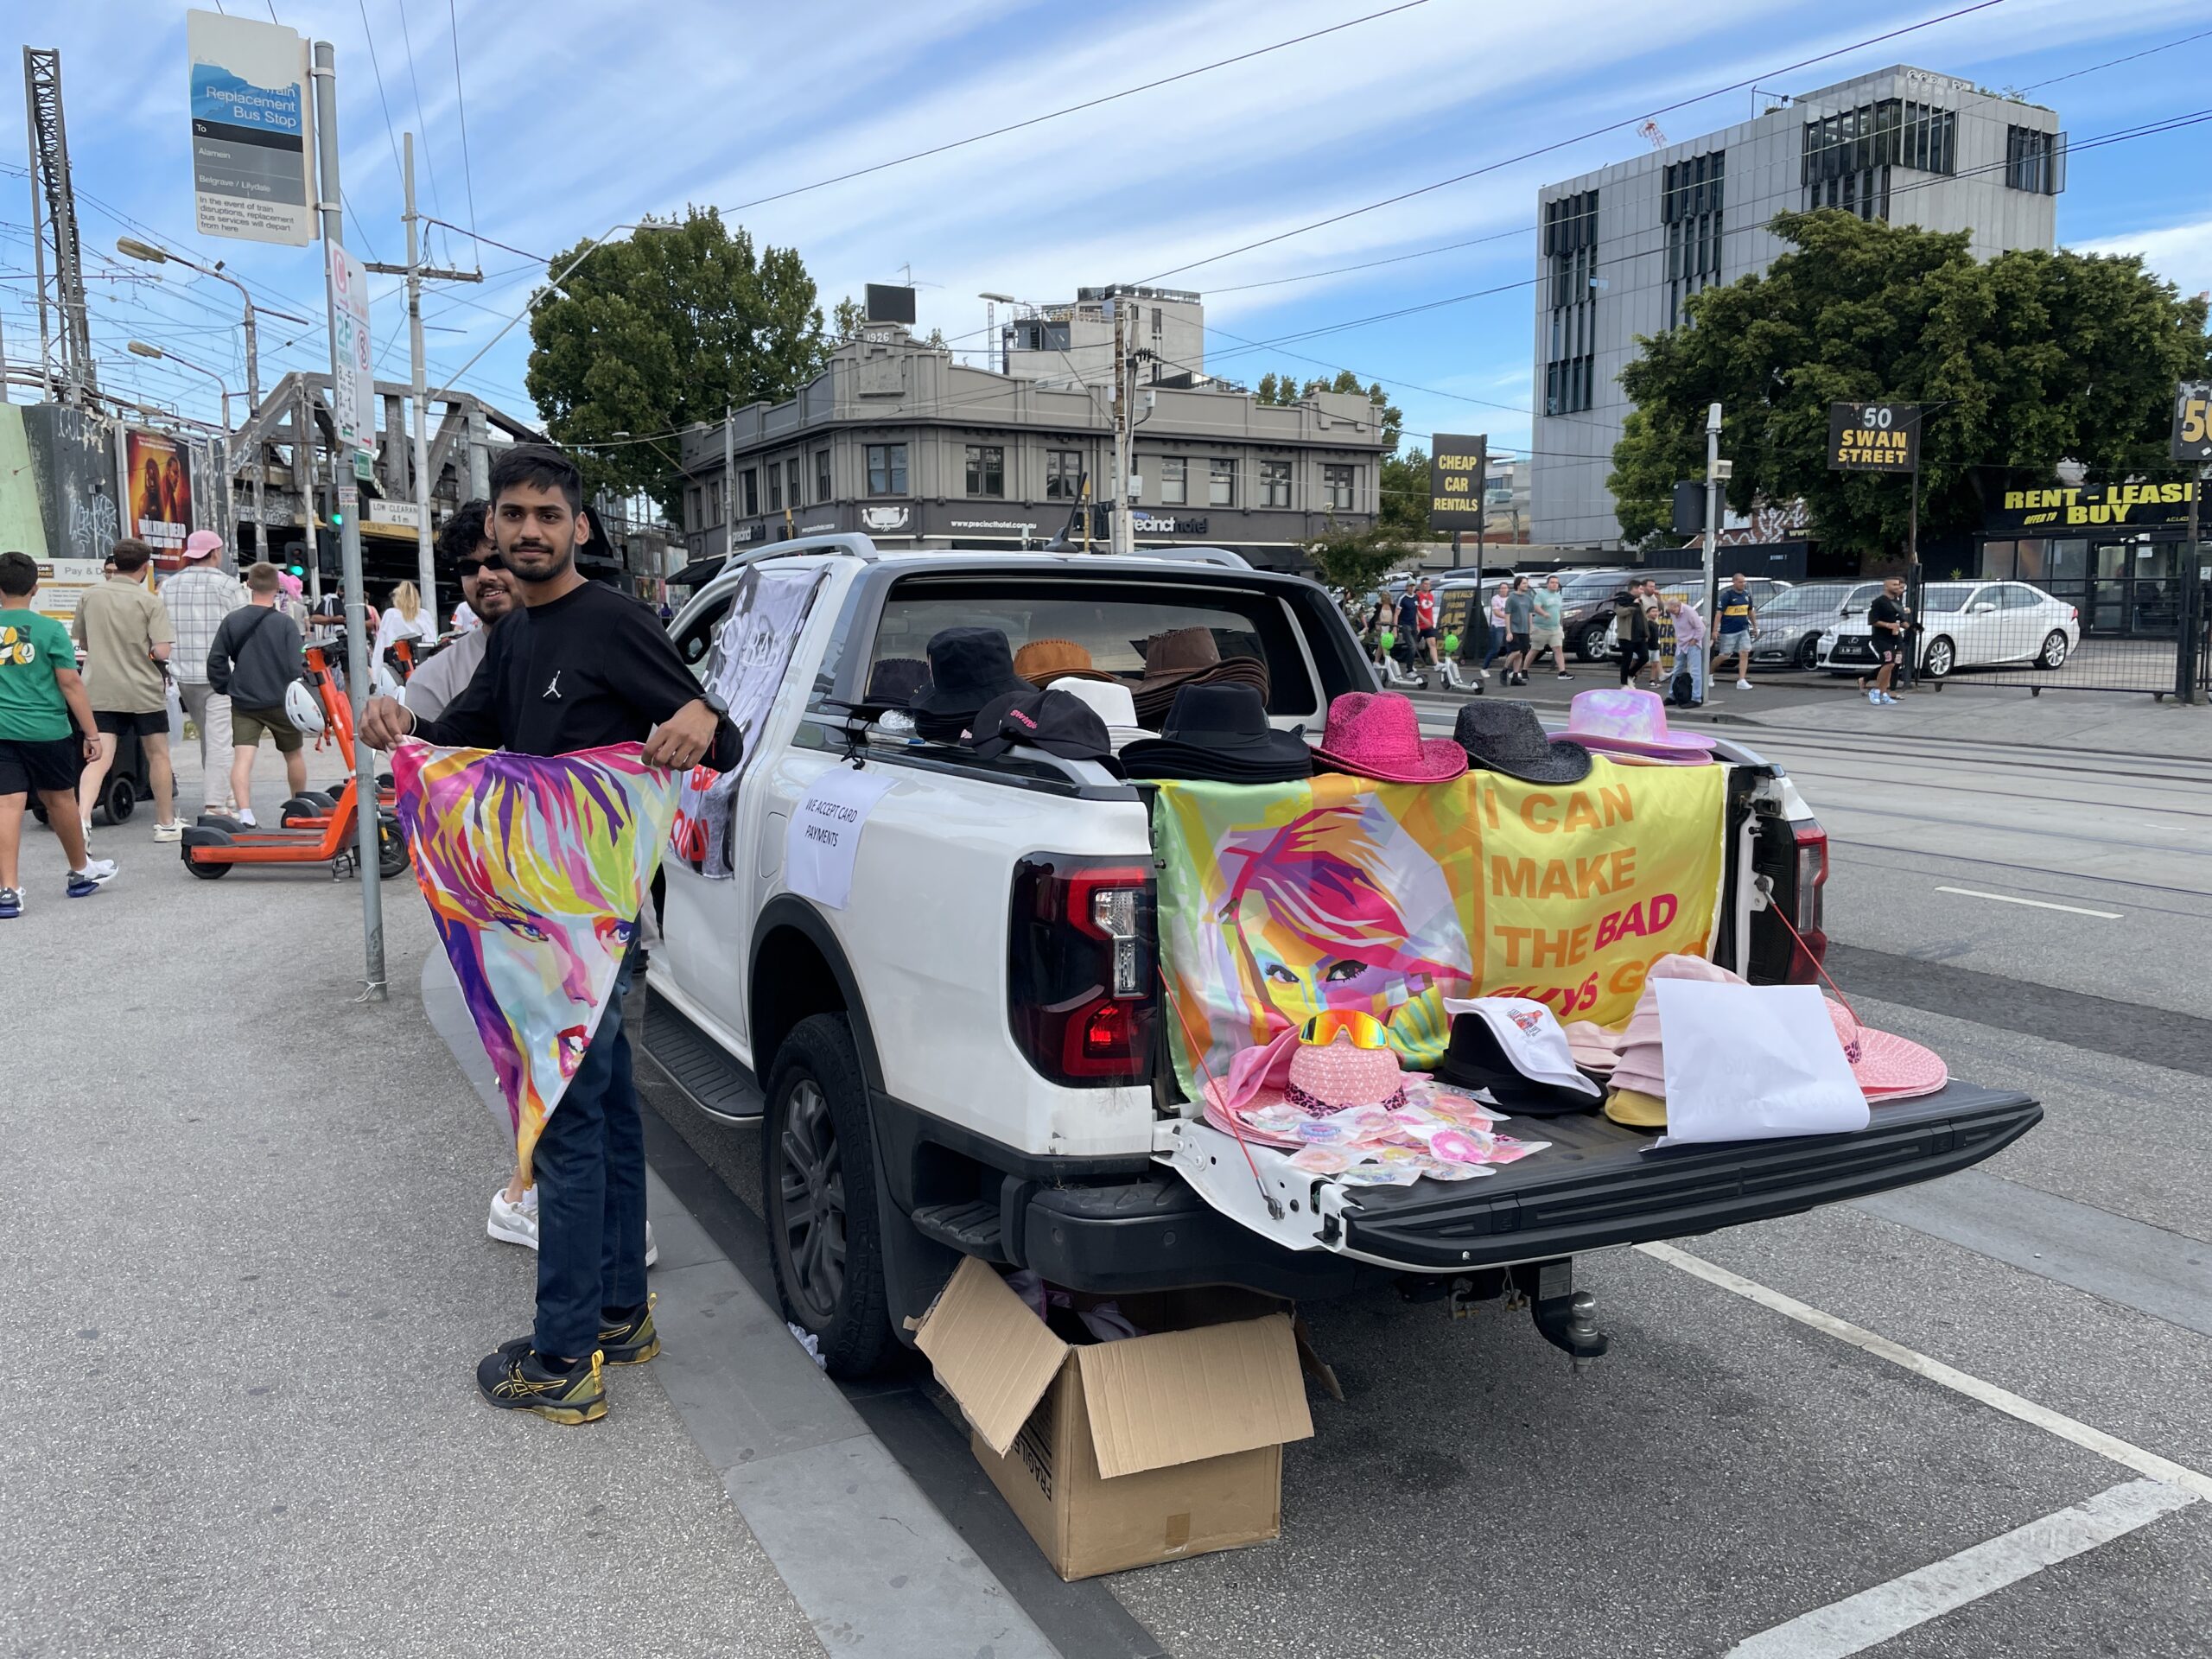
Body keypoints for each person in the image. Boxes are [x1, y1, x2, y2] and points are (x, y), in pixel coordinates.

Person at [360, 444, 740, 1425]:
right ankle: (620, 1312)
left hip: (589, 933)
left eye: (547, 515)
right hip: (544, 931)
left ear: (579, 527)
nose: (529, 531)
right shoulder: (519, 633)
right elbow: (475, 730)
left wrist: (696, 710)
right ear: (495, 527)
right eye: (513, 516)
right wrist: (403, 721)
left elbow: (719, 732)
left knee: (566, 1127)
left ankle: (564, 1359)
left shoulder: (613, 621)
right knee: (606, 1117)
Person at [0, 550, 118, 917]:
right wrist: (93, 734)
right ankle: (81, 871)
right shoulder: (50, 630)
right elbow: (70, 684)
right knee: (60, 801)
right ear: (35, 588)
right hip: (46, 730)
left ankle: (8, 890)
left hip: (2, 730)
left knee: (7, 805)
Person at [73, 537, 179, 842]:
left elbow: (83, 643)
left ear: (115, 564)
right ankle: (166, 823)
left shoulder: (90, 596)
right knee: (157, 755)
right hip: (143, 690)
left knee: (99, 757)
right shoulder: (150, 601)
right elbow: (162, 652)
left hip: (100, 689)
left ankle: (82, 820)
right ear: (145, 568)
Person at [206, 563, 308, 825]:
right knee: (294, 755)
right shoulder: (285, 624)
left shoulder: (233, 620)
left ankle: (246, 814)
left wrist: (226, 687)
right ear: (277, 588)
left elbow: (216, 660)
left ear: (248, 585)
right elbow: (295, 666)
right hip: (281, 700)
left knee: (243, 757)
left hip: (244, 700)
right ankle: (299, 808)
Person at [160, 529, 246, 817]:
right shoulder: (228, 586)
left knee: (209, 737)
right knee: (220, 738)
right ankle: (215, 804)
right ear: (215, 553)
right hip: (221, 674)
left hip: (184, 673)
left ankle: (225, 793)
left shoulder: (168, 587)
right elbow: (243, 629)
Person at [404, 503, 512, 723]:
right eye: (468, 568)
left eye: (497, 561)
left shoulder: (585, 649)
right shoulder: (433, 680)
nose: (484, 576)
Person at [372, 580, 434, 696]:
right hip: (421, 666)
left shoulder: (390, 614)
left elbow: (381, 645)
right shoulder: (425, 615)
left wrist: (376, 676)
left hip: (396, 666)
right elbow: (431, 642)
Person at [1859, 575, 1908, 706]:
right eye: (1894, 585)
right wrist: (1888, 625)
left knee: (1894, 663)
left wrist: (1911, 627)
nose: (1897, 587)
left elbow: (1900, 620)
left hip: (1896, 637)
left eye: (1898, 585)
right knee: (1888, 663)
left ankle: (1884, 692)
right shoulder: (1879, 602)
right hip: (1881, 638)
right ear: (1886, 586)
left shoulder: (1897, 601)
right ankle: (1876, 690)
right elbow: (1873, 621)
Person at [1714, 573, 1758, 690]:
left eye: (1744, 582)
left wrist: (1754, 626)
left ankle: (1742, 680)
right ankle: (1708, 673)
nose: (1743, 584)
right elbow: (1719, 614)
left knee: (1744, 652)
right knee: (1725, 655)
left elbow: (1750, 611)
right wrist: (1715, 630)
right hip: (1729, 631)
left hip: (1743, 629)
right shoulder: (1727, 596)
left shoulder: (1747, 595)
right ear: (1734, 582)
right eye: (1740, 582)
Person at [1664, 594, 1707, 706]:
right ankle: (1672, 696)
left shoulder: (1689, 611)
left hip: (1692, 643)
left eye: (1673, 611)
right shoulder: (1674, 612)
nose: (1672, 613)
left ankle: (1696, 698)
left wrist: (1695, 640)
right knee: (1677, 670)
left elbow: (1700, 627)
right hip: (1682, 643)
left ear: (1677, 606)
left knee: (1695, 671)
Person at [1531, 574, 1572, 681]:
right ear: (1547, 584)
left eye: (1556, 583)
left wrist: (1560, 621)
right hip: (1541, 627)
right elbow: (1536, 607)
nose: (1554, 585)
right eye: (1552, 582)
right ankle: (1524, 670)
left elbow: (1558, 610)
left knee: (1558, 649)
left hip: (1555, 628)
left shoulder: (1559, 596)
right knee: (1535, 650)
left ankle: (1562, 672)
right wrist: (1544, 614)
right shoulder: (1541, 595)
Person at [1612, 579, 1651, 688]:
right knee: (1627, 660)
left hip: (1640, 636)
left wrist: (1646, 632)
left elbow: (1643, 617)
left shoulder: (1639, 601)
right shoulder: (1622, 599)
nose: (1642, 592)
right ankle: (1624, 683)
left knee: (1645, 657)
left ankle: (1630, 675)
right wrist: (1632, 607)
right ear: (1634, 588)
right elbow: (1620, 613)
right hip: (1627, 636)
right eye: (1640, 589)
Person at [1501, 576, 1535, 687]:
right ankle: (1505, 669)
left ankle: (1515, 676)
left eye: (1527, 583)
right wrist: (1509, 631)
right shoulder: (1512, 598)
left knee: (1521, 653)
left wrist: (1531, 628)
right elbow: (1507, 615)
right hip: (1514, 628)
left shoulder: (1529, 598)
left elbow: (1530, 614)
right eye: (1524, 583)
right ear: (1518, 584)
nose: (1526, 585)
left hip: (1524, 629)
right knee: (1516, 651)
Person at [1479, 583, 1509, 682]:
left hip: (1508, 626)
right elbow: (1496, 612)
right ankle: (1484, 668)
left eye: (1505, 588)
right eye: (1502, 588)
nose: (1504, 590)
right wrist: (1507, 617)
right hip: (1497, 626)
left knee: (1510, 649)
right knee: (1495, 649)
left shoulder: (1510, 599)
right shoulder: (1495, 599)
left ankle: (1510, 670)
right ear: (1499, 590)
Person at [1413, 577, 1440, 674]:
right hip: (1419, 625)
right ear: (1421, 585)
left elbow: (1429, 610)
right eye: (1425, 584)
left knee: (1432, 643)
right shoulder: (1417, 595)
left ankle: (1436, 663)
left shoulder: (1431, 596)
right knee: (1413, 645)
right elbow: (1415, 610)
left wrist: (1430, 621)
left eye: (1429, 584)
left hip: (1429, 625)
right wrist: (1423, 619)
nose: (1427, 586)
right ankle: (1410, 664)